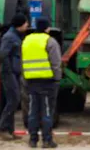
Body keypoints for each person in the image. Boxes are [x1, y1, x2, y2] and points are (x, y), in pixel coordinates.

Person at [22, 18, 61, 149]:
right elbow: (56, 63)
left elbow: (23, 61)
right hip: (47, 82)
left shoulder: (26, 40)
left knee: (33, 112)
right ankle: (47, 140)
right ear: (47, 28)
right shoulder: (49, 41)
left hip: (30, 81)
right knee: (47, 111)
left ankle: (32, 140)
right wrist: (57, 78)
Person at [0, 15, 29, 141]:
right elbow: (3, 55)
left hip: (14, 73)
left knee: (14, 100)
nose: (27, 26)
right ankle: (2, 129)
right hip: (9, 73)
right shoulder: (9, 37)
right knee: (13, 100)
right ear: (19, 25)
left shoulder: (15, 36)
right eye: (26, 23)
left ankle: (10, 130)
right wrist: (9, 71)